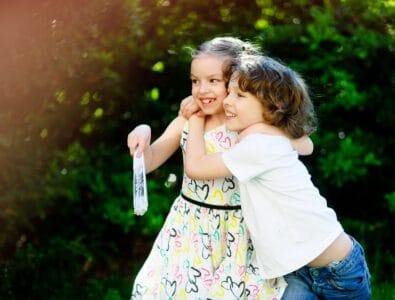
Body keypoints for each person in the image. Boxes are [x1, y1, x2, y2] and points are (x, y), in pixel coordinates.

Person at [128, 37, 312, 299]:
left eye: (213, 80)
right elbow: (148, 162)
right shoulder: (187, 120)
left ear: (236, 79)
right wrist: (142, 131)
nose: (202, 89)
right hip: (189, 229)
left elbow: (305, 145)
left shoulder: (246, 123)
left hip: (237, 231)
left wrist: (265, 129)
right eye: (195, 81)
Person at [185, 54, 371, 300]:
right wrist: (261, 126)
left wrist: (195, 118)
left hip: (338, 271)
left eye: (239, 96)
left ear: (272, 105)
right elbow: (306, 145)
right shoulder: (266, 137)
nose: (228, 101)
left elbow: (195, 167)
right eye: (229, 92)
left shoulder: (258, 146)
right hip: (297, 270)